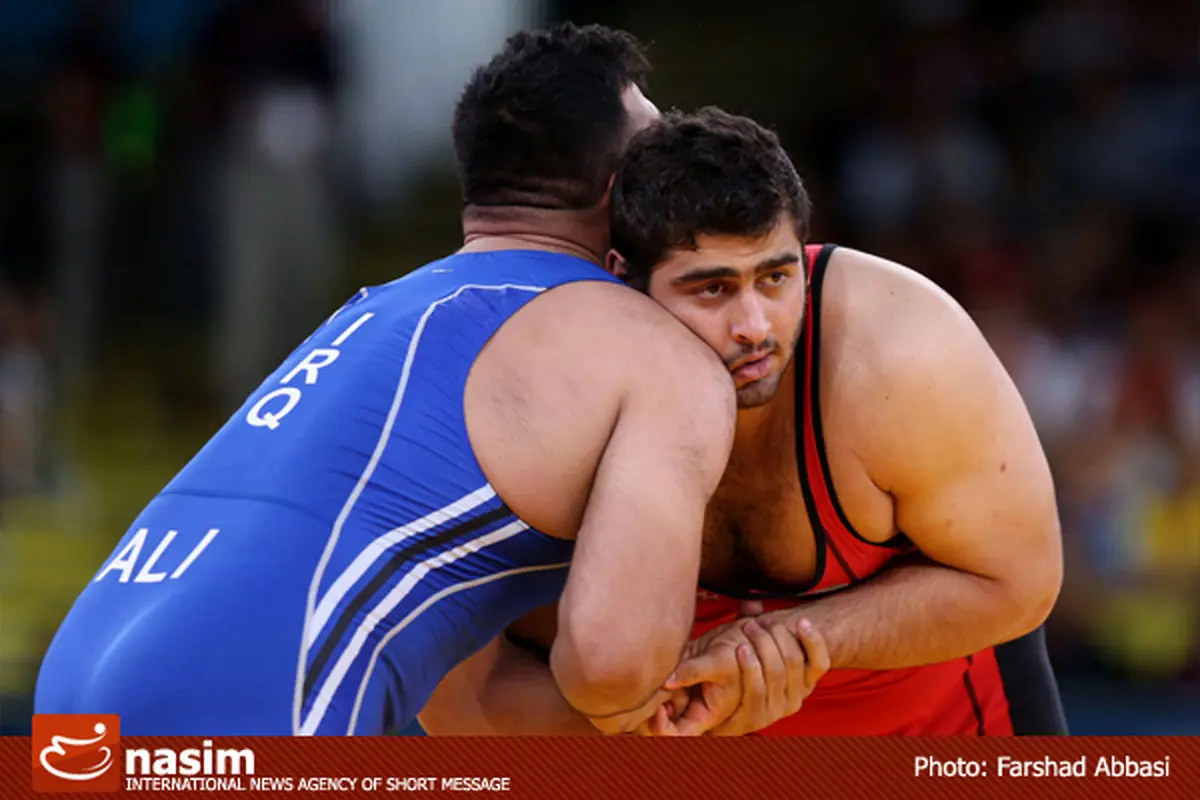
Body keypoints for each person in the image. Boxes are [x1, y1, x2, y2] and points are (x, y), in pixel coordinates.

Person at [32, 26, 803, 737]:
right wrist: (713, 692)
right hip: (247, 702)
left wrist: (663, 729)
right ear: (618, 192)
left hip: (79, 692)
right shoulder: (655, 354)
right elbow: (612, 666)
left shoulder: (375, 312)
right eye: (654, 157)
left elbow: (469, 706)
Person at [420, 108, 1069, 736]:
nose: (755, 328)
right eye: (712, 289)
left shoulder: (895, 352)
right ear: (624, 281)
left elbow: (1020, 585)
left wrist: (789, 640)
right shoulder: (534, 402)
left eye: (776, 277)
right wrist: (655, 734)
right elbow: (459, 698)